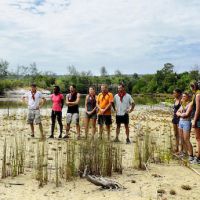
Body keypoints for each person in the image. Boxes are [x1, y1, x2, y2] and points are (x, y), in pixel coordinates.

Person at [176, 92, 193, 162]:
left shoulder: (190, 104)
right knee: (181, 138)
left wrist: (180, 114)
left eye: (184, 96)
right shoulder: (183, 104)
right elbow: (177, 112)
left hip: (186, 122)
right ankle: (184, 153)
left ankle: (191, 155)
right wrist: (181, 114)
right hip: (181, 122)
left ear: (188, 97)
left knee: (186, 139)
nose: (183, 98)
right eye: (182, 96)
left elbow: (186, 114)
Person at [190, 81, 200, 164]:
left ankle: (198, 158)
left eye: (191, 87)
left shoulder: (197, 95)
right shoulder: (196, 94)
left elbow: (197, 109)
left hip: (198, 119)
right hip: (197, 118)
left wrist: (195, 120)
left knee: (198, 138)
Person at [172, 89, 182, 153]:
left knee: (180, 134)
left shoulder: (181, 100)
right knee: (175, 134)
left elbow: (183, 109)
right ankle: (176, 147)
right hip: (174, 118)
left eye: (174, 93)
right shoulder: (175, 100)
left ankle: (181, 150)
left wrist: (180, 114)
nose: (173, 94)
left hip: (179, 118)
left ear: (178, 93)